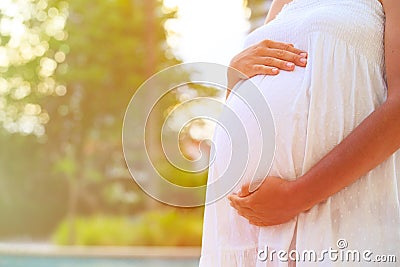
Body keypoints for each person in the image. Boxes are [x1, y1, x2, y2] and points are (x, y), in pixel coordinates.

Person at [199, 0, 400, 266]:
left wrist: (297, 196)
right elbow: (250, 100)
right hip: (246, 227)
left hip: (332, 215)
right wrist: (234, 75)